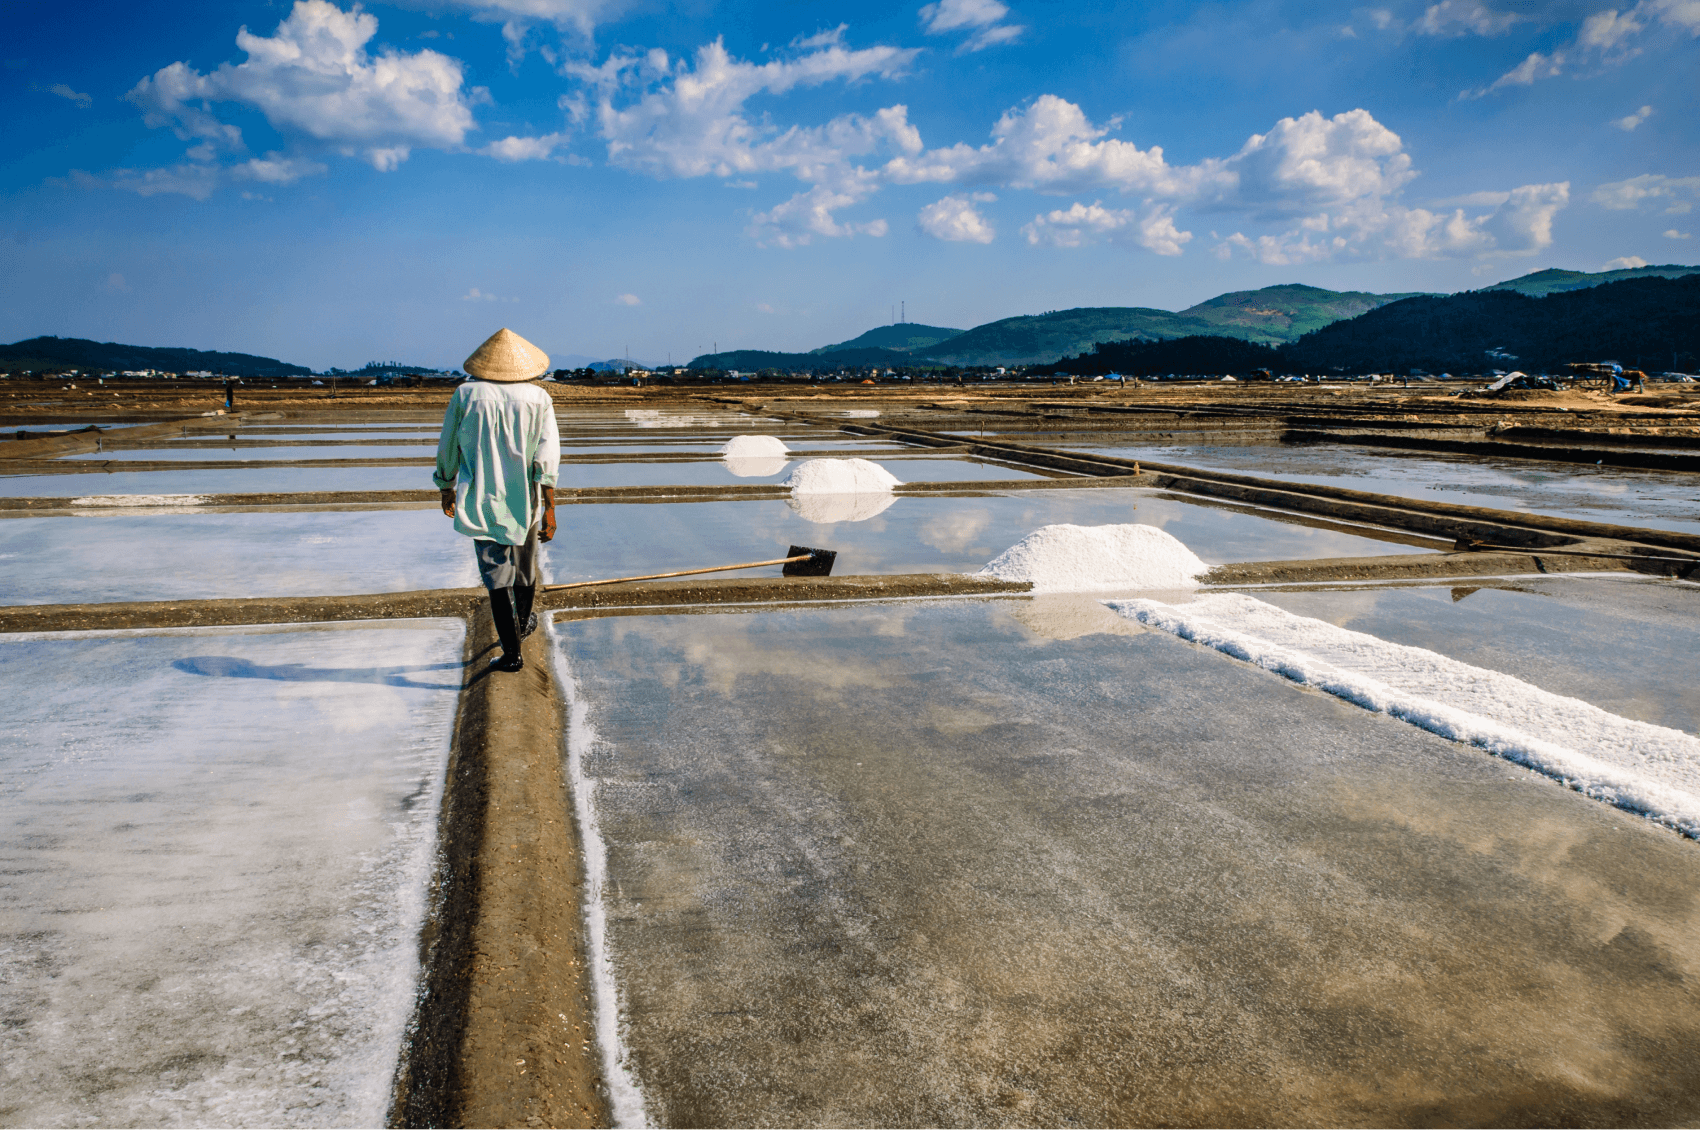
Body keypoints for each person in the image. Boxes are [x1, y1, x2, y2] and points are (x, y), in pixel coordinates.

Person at [434, 328, 561, 672]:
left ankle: (512, 652)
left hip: (483, 498)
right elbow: (547, 459)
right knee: (524, 567)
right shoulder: (538, 398)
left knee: (496, 574)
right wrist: (549, 508)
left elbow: (448, 446)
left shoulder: (466, 394)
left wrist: (446, 486)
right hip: (527, 500)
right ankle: (520, 629)